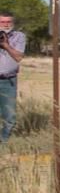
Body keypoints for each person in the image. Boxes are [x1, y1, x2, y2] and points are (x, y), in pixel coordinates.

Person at [0, 12, 26, 144]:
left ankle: (3, 143)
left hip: (8, 81)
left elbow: (18, 57)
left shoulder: (19, 36)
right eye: (2, 22)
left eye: (8, 22)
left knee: (10, 116)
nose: (5, 24)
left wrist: (6, 45)